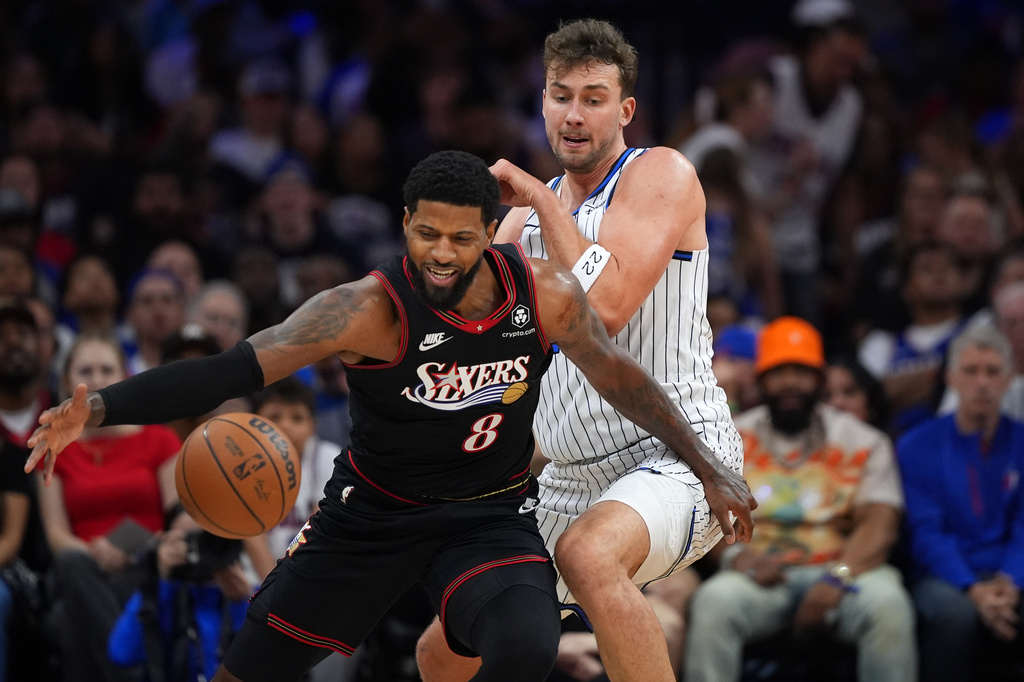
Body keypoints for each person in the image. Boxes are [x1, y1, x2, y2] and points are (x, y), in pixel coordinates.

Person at [26, 150, 755, 682]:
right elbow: (233, 368)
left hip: (485, 516)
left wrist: (706, 464)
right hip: (371, 516)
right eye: (425, 234)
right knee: (251, 669)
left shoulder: (545, 295)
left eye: (461, 238)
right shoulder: (366, 309)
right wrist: (95, 406)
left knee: (526, 640)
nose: (441, 254)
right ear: (405, 223)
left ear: (489, 231)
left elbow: (624, 378)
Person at [418, 19, 747, 682]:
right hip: (568, 477)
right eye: (560, 95)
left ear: (624, 110)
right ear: (541, 103)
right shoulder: (513, 228)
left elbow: (608, 310)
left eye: (593, 98)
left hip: (678, 454)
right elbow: (469, 358)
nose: (573, 114)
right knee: (442, 649)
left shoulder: (661, 174)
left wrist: (541, 197)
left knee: (589, 555)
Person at [684, 316, 916, 682]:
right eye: (778, 372)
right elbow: (706, 515)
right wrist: (736, 556)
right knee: (713, 602)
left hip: (844, 571)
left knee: (889, 604)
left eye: (801, 372)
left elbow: (880, 523)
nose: (790, 382)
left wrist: (838, 578)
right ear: (760, 381)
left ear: (820, 381)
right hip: (758, 577)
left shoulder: (864, 440)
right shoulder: (731, 438)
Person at [37, 332, 182, 682]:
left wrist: (131, 552)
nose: (98, 379)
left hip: (144, 562)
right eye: (86, 370)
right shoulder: (54, 447)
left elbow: (179, 517)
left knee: (68, 620)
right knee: (72, 566)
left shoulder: (159, 439)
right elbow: (56, 535)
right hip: (82, 565)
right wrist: (95, 553)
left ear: (125, 377)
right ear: (68, 382)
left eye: (107, 369)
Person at [896, 324, 1024, 682]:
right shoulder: (916, 445)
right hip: (943, 576)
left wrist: (1010, 581)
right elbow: (925, 533)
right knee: (954, 615)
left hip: (1008, 572)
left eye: (993, 371)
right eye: (971, 371)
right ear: (951, 378)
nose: (982, 382)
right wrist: (972, 587)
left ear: (1010, 377)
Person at [107, 510, 250, 682]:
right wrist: (163, 583)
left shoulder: (243, 592)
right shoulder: (159, 595)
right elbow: (122, 654)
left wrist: (240, 604)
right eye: (187, 540)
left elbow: (265, 664)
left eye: (206, 538)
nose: (197, 549)